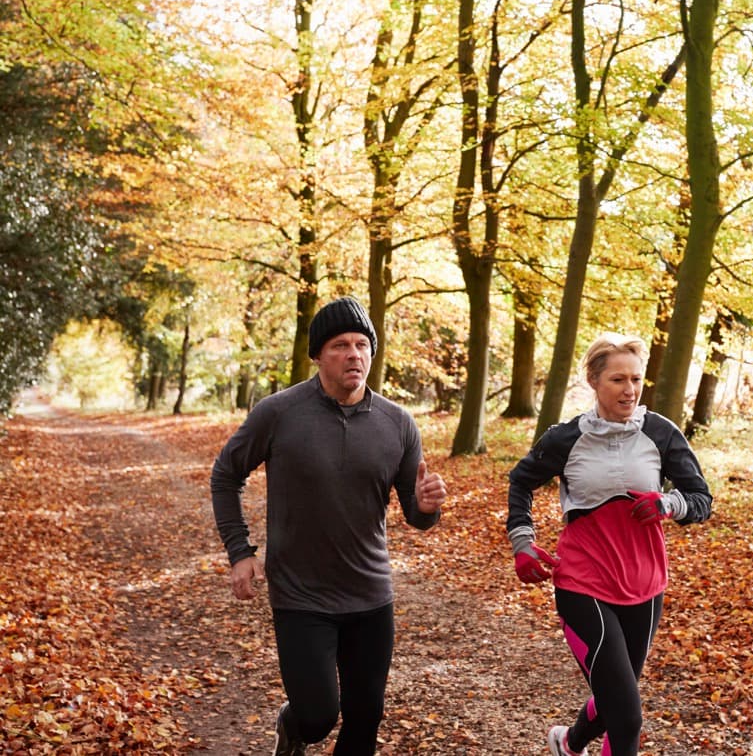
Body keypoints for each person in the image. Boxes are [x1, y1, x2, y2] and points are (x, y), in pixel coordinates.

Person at [210, 296, 447, 756]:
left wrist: (425, 507)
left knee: (364, 721)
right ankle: (294, 724)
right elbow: (225, 475)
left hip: (371, 595)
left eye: (362, 344)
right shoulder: (279, 413)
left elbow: (417, 517)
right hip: (302, 595)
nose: (354, 354)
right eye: (340, 345)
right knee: (318, 717)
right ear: (318, 354)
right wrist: (240, 552)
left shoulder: (398, 424)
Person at [506, 333, 713, 756]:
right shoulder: (566, 438)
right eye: (618, 379)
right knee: (628, 714)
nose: (630, 389)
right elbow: (520, 482)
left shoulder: (660, 432)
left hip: (645, 585)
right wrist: (523, 541)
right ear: (594, 382)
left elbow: (701, 501)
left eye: (636, 379)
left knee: (617, 696)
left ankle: (569, 742)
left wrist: (668, 503)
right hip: (583, 583)